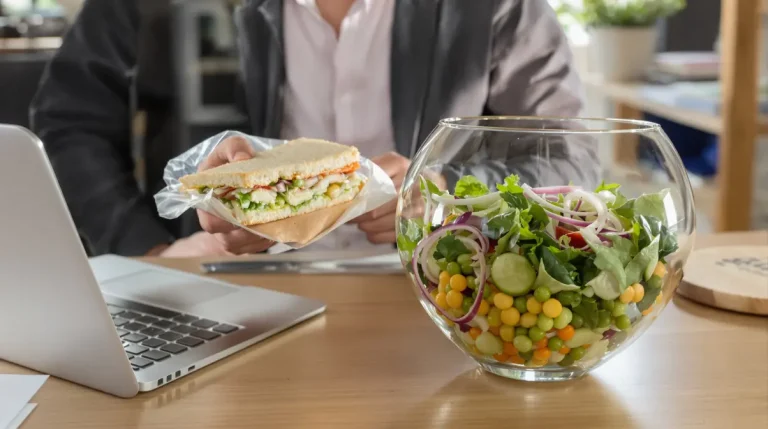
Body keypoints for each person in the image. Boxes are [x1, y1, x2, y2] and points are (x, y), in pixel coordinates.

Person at [30, 0, 596, 258]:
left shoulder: (500, 9)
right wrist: (147, 247)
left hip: (435, 294)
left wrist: (448, 190)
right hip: (220, 289)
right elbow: (71, 120)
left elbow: (569, 155)